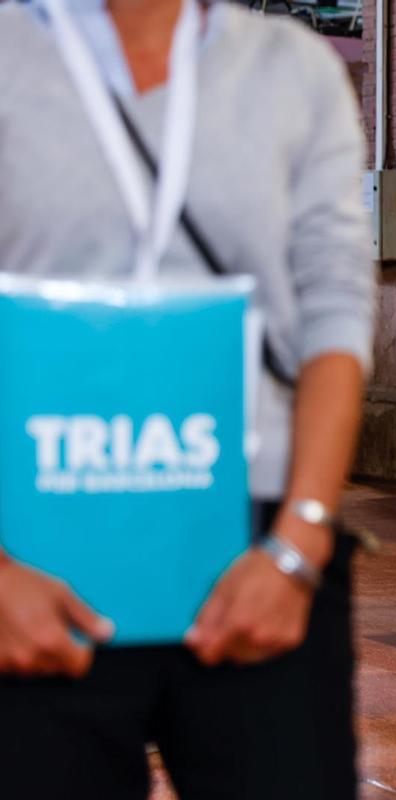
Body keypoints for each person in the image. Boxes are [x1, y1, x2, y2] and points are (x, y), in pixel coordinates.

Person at [0, 2, 375, 798]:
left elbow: (335, 311)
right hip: (29, 551)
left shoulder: (292, 69)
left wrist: (299, 542)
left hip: (258, 547)